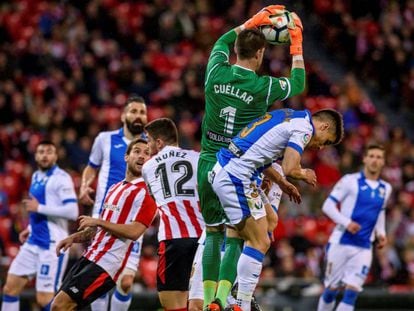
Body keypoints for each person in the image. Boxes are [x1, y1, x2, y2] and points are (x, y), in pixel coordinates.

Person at [199, 4, 306, 308]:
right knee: (237, 235)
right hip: (237, 168)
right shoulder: (263, 87)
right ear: (260, 55)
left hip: (207, 160)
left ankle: (209, 302)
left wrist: (252, 21)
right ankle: (223, 297)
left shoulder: (216, 70)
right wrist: (296, 45)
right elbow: (298, 84)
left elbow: (220, 42)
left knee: (212, 233)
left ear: (236, 51)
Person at [209, 108, 344, 311]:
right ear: (323, 127)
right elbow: (290, 167)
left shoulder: (288, 115)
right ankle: (241, 303)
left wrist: (281, 182)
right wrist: (304, 173)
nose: (321, 147)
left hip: (232, 170)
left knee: (270, 221)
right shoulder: (304, 128)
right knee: (260, 240)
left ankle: (235, 290)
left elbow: (260, 152)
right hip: (235, 177)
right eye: (325, 141)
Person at [51, 138, 157, 311]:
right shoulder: (114, 188)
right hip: (89, 256)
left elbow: (135, 232)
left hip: (107, 264)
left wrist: (99, 221)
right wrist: (73, 238)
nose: (142, 156)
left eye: (147, 153)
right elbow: (97, 230)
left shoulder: (148, 193)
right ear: (126, 157)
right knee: (65, 306)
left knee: (60, 305)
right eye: (137, 151)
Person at [79, 95, 148, 310]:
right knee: (98, 279)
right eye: (134, 111)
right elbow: (92, 166)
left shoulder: (150, 146)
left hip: (134, 219)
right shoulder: (104, 139)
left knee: (126, 282)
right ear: (123, 115)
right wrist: (84, 184)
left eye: (142, 112)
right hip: (104, 216)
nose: (138, 116)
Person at [188, 163, 282, 311]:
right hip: (211, 241)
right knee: (197, 306)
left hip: (240, 248)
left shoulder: (276, 172)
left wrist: (260, 193)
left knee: (228, 306)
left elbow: (269, 225)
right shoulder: (232, 153)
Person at [1, 141, 79, 311]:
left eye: (49, 152)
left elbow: (72, 211)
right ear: (36, 156)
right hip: (33, 242)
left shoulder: (61, 178)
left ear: (56, 156)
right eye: (41, 152)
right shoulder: (36, 176)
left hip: (52, 246)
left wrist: (39, 208)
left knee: (45, 300)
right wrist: (29, 229)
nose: (45, 155)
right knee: (10, 288)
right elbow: (38, 208)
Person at [317, 144, 392, 311]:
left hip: (364, 247)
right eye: (371, 156)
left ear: (383, 162)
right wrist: (346, 222)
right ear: (365, 159)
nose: (375, 160)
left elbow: (380, 212)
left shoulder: (386, 189)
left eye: (379, 157)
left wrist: (381, 233)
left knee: (352, 293)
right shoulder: (349, 181)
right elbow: (327, 206)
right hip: (341, 242)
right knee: (331, 291)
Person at [142, 118, 204, 311]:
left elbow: (155, 197)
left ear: (159, 142)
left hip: (172, 239)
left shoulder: (148, 167)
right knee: (202, 301)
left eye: (149, 141)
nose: (147, 146)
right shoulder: (198, 157)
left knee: (172, 304)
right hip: (203, 238)